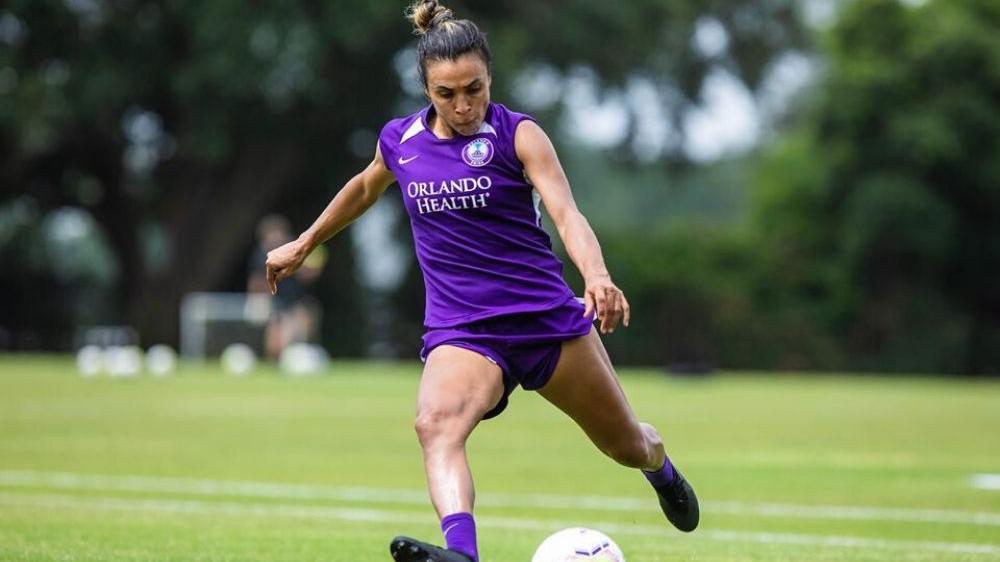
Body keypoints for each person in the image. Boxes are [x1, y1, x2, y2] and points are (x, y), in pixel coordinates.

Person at [265, 2, 699, 560]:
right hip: (463, 329)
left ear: (489, 75)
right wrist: (305, 243)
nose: (464, 105)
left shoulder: (519, 135)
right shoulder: (401, 142)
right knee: (435, 425)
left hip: (543, 320)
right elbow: (365, 186)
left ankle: (658, 463)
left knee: (625, 445)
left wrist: (597, 275)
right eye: (447, 94)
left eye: (474, 88)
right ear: (425, 87)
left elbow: (567, 213)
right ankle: (462, 555)